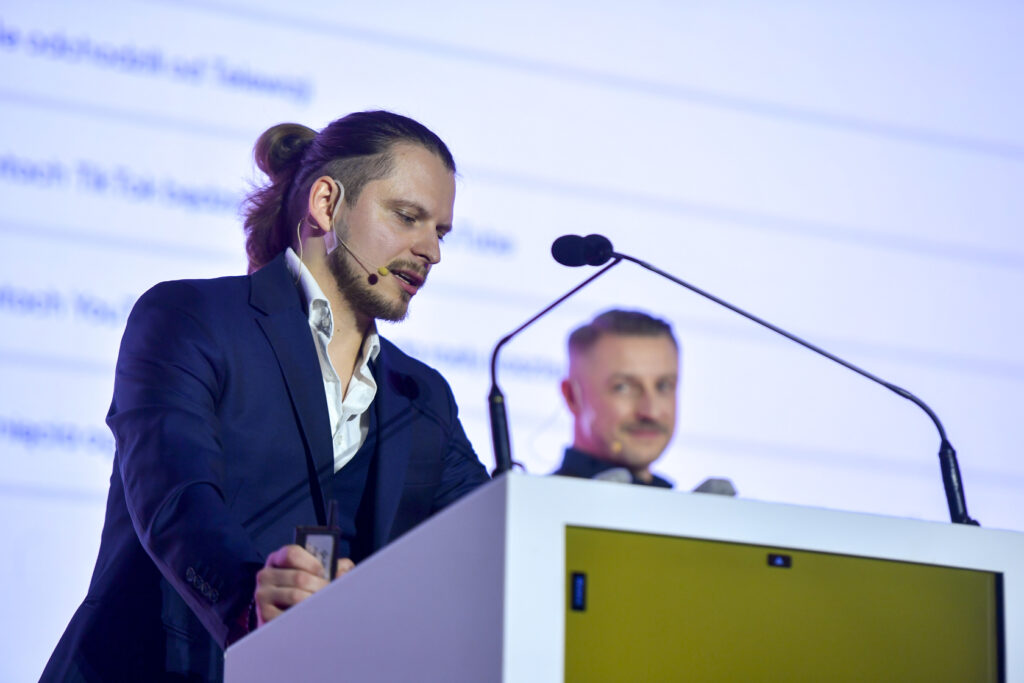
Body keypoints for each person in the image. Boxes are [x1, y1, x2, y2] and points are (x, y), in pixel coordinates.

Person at [42, 111, 490, 682]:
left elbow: (488, 535)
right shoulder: (190, 319)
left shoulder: (421, 394)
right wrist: (247, 600)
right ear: (327, 203)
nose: (431, 251)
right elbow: (175, 499)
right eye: (407, 217)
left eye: (440, 233)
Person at [554, 309, 679, 487]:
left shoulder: (688, 503)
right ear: (572, 397)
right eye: (623, 387)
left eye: (664, 386)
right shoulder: (533, 503)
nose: (651, 412)